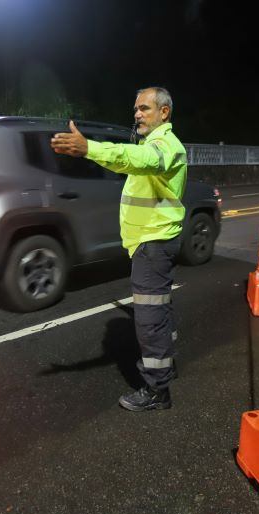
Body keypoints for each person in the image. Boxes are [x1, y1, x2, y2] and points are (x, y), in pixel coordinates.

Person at [50, 87, 187, 412]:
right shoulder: (151, 144)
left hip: (153, 244)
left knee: (150, 317)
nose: (137, 114)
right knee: (160, 310)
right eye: (136, 109)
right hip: (151, 242)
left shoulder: (165, 146)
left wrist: (89, 148)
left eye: (145, 108)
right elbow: (130, 160)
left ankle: (157, 391)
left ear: (164, 113)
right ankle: (165, 370)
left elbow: (136, 158)